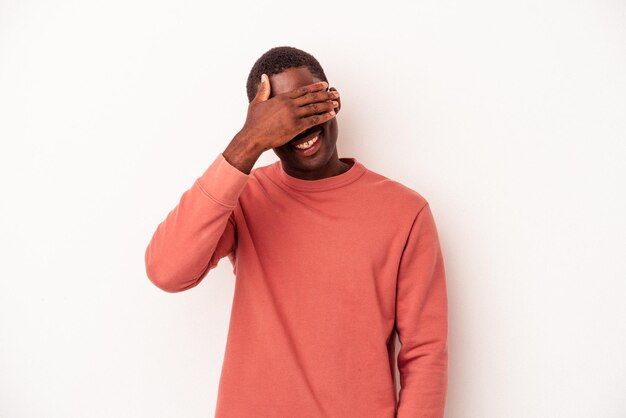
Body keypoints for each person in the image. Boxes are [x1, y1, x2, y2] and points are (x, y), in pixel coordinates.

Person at [145, 46, 448, 418]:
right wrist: (246, 144)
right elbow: (166, 270)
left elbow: (425, 353)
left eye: (308, 105)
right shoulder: (243, 198)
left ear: (333, 100)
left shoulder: (405, 212)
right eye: (282, 117)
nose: (301, 127)